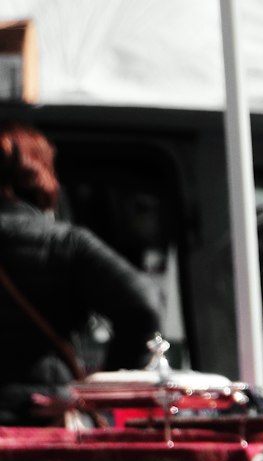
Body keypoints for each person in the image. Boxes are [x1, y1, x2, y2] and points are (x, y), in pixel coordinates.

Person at [0, 121, 161, 422]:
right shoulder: (64, 242)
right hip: (39, 418)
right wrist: (96, 393)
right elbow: (144, 304)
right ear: (42, 174)